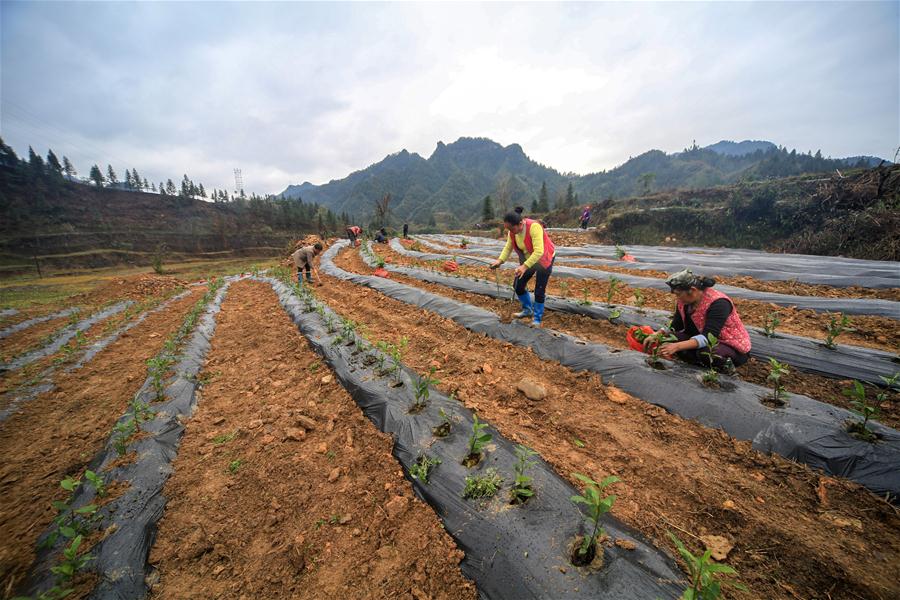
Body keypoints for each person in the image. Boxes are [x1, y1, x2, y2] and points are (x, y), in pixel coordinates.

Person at [648, 269, 751, 371]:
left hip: (729, 345)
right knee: (671, 337)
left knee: (706, 352)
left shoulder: (719, 303)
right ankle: (697, 363)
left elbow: (709, 337)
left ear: (692, 290)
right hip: (700, 339)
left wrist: (677, 346)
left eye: (679, 294)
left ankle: (727, 369)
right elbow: (676, 325)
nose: (677, 298)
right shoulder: (684, 302)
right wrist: (658, 333)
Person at [490, 212, 556, 328]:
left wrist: (524, 266)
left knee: (539, 290)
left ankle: (537, 318)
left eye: (511, 228)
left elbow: (539, 251)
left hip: (543, 258)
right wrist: (499, 261)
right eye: (508, 229)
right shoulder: (512, 232)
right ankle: (527, 310)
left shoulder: (534, 227)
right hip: (528, 259)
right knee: (518, 285)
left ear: (520, 223)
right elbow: (508, 247)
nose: (510, 231)